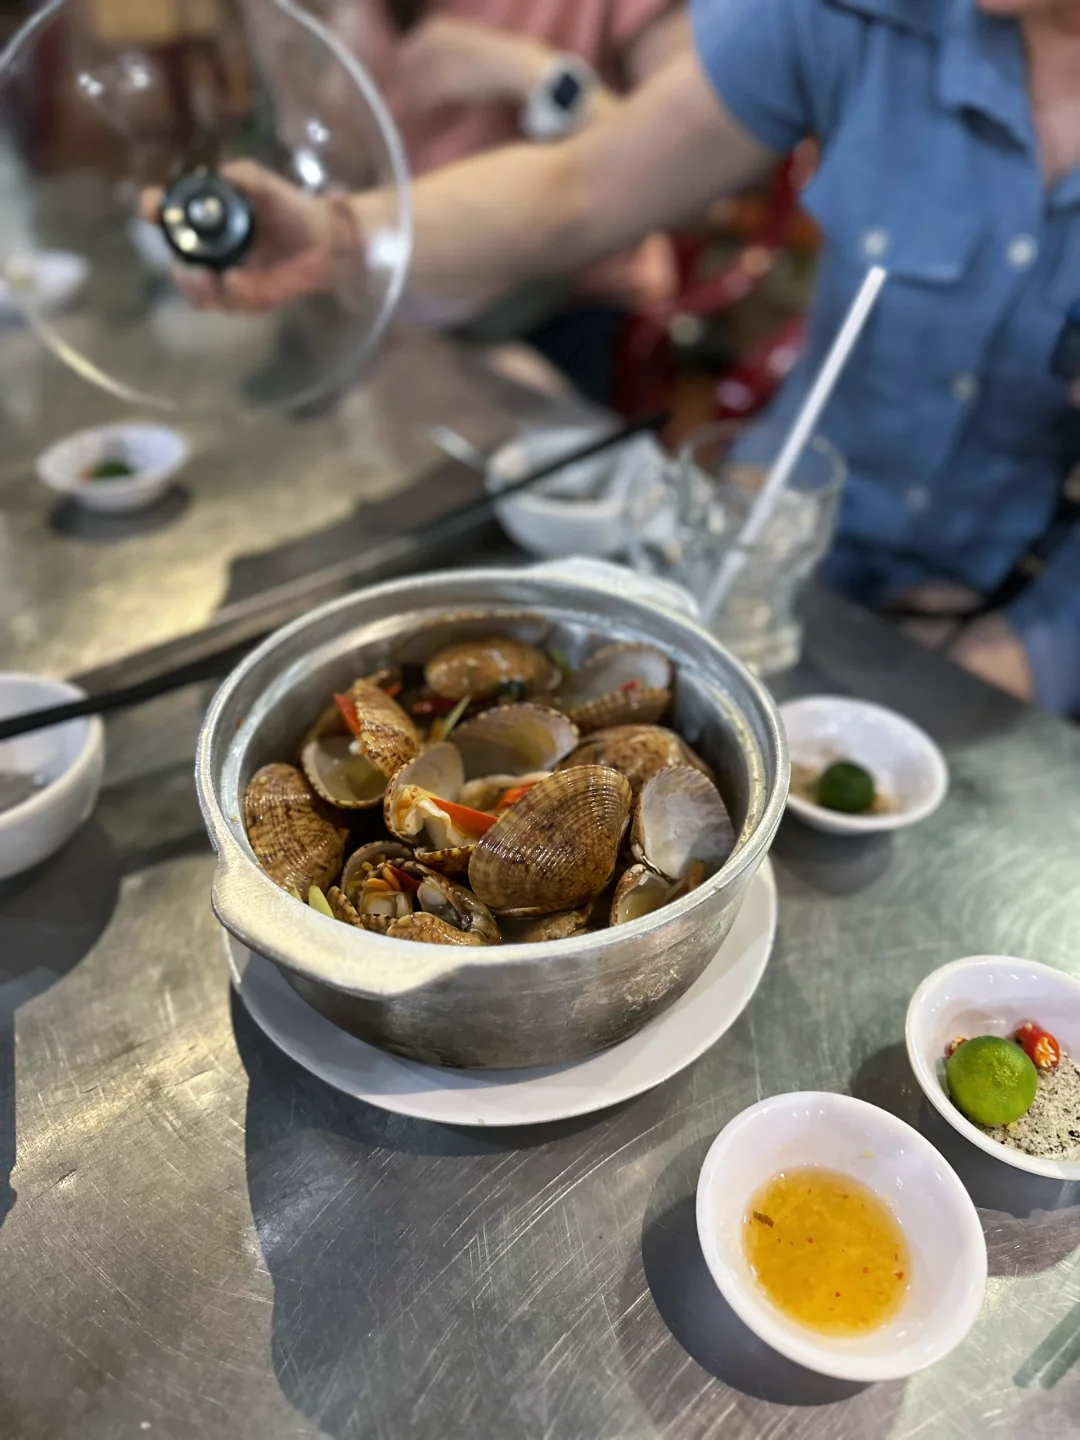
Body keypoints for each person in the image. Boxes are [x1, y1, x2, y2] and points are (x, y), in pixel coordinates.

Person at [150, 0, 1080, 714]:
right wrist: (340, 236)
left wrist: (1026, 653)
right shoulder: (858, 17)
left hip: (1032, 584)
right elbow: (579, 187)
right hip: (772, 521)